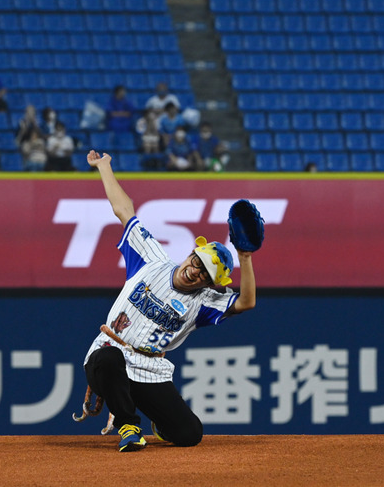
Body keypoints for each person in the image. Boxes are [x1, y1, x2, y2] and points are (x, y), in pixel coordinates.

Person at [80, 149, 257, 452]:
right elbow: (124, 209)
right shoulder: (152, 258)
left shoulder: (204, 301)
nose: (195, 272)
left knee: (189, 434)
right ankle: (128, 425)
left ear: (211, 283)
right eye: (197, 262)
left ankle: (157, 423)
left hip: (149, 369)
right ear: (190, 254)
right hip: (110, 355)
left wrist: (245, 258)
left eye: (204, 273)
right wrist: (104, 166)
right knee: (107, 358)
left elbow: (245, 303)